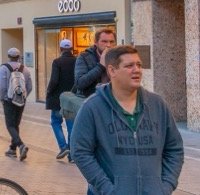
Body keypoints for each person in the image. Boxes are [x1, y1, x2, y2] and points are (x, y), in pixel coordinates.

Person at [71, 45, 183, 194]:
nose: (137, 70)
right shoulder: (92, 107)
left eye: (139, 65)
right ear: (112, 71)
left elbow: (174, 149)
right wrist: (107, 189)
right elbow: (80, 152)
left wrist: (166, 186)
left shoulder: (158, 105)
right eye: (129, 66)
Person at [0, 47, 33, 161]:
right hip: (21, 100)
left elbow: (2, 86)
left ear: (8, 56)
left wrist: (2, 98)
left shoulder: (3, 68)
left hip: (9, 99)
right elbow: (30, 87)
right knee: (16, 124)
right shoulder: (25, 69)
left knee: (10, 125)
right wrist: (24, 96)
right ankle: (12, 149)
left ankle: (21, 145)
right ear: (19, 56)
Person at [45, 39, 77, 161]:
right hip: (72, 99)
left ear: (60, 49)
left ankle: (63, 147)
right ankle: (72, 155)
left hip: (58, 99)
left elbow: (54, 80)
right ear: (72, 49)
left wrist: (49, 90)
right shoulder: (77, 61)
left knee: (55, 122)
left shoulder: (57, 62)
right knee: (71, 126)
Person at [74, 28, 116, 98]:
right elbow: (80, 83)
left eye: (111, 42)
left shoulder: (118, 57)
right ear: (96, 42)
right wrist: (100, 66)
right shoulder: (84, 57)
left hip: (112, 99)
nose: (108, 45)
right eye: (104, 41)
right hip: (91, 100)